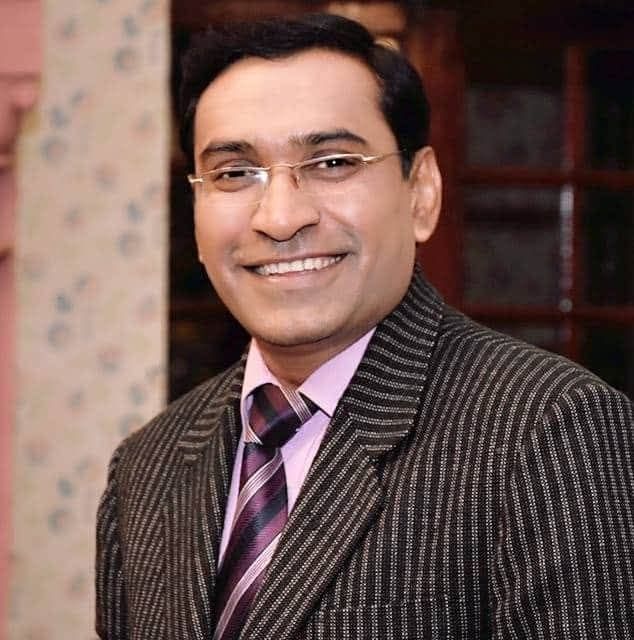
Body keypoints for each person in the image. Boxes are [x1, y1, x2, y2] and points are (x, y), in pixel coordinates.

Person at [95, 13, 634, 640]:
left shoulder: (548, 431)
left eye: (331, 162)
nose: (279, 217)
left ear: (420, 192)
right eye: (235, 173)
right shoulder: (148, 466)